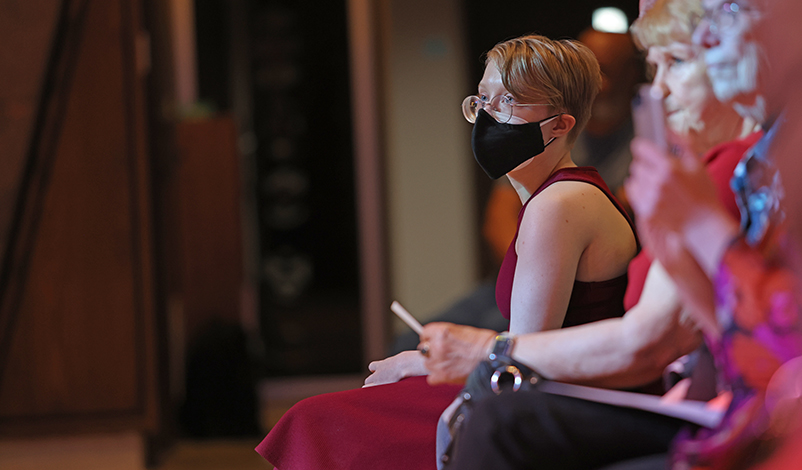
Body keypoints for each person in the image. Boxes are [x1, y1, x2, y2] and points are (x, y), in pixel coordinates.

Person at [254, 34, 638, 470]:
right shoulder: (551, 197)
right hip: (543, 393)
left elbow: (526, 355)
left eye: (508, 101)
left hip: (560, 404)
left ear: (560, 125)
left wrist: (420, 364)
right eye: (482, 101)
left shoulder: (558, 204)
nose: (488, 117)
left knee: (317, 420)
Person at [421, 0, 764, 468]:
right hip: (668, 384)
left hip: (662, 393)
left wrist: (484, 349)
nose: (658, 90)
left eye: (677, 63)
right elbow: (702, 322)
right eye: (482, 100)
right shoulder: (699, 174)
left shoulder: (720, 174)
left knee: (494, 421)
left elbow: (652, 341)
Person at [624, 0, 802, 467]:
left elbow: (788, 351)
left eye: (730, 13)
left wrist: (701, 226)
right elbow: (750, 354)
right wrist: (681, 261)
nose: (707, 39)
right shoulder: (760, 161)